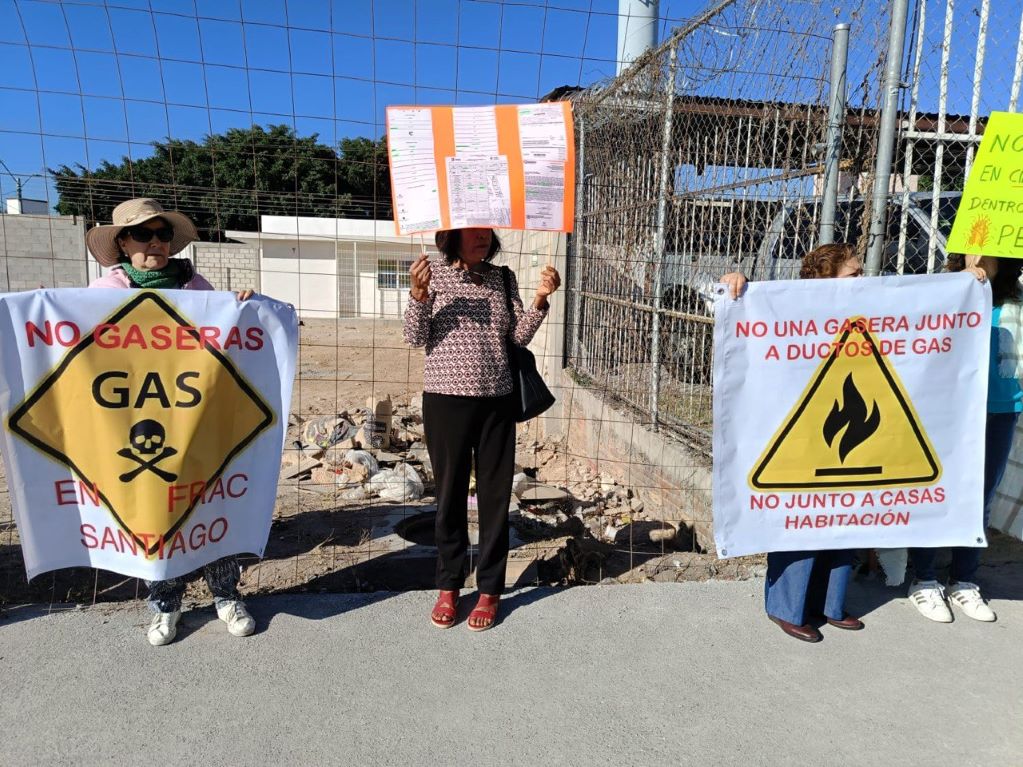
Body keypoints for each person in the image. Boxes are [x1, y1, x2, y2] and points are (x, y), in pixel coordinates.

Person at [86, 197, 257, 646]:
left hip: (194, 417)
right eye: (143, 234)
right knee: (155, 510)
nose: (155, 243)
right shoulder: (103, 295)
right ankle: (165, 604)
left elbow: (224, 335)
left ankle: (225, 595)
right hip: (134, 419)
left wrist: (242, 306)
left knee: (207, 500)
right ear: (122, 242)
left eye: (163, 234)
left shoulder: (194, 284)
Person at [403, 228, 560, 631]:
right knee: (450, 496)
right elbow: (414, 337)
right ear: (452, 236)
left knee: (494, 497)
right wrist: (419, 295)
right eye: (472, 232)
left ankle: (490, 588)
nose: (482, 239)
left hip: (497, 402)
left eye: (486, 233)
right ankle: (450, 585)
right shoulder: (432, 274)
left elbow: (518, 337)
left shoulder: (502, 277)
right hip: (445, 402)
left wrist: (541, 299)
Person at [722, 243, 865, 642]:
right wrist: (736, 284)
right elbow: (751, 314)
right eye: (853, 274)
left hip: (848, 427)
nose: (863, 279)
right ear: (825, 278)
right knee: (802, 517)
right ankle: (787, 607)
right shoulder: (797, 307)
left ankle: (831, 604)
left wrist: (971, 280)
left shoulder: (872, 307)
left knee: (845, 516)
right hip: (801, 429)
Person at [907, 253, 1022, 623]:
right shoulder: (945, 291)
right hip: (950, 407)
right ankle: (923, 579)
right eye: (973, 245)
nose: (980, 253)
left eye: (988, 247)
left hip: (1002, 406)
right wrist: (964, 285)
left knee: (981, 495)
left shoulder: (1016, 297)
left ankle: (964, 580)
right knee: (938, 489)